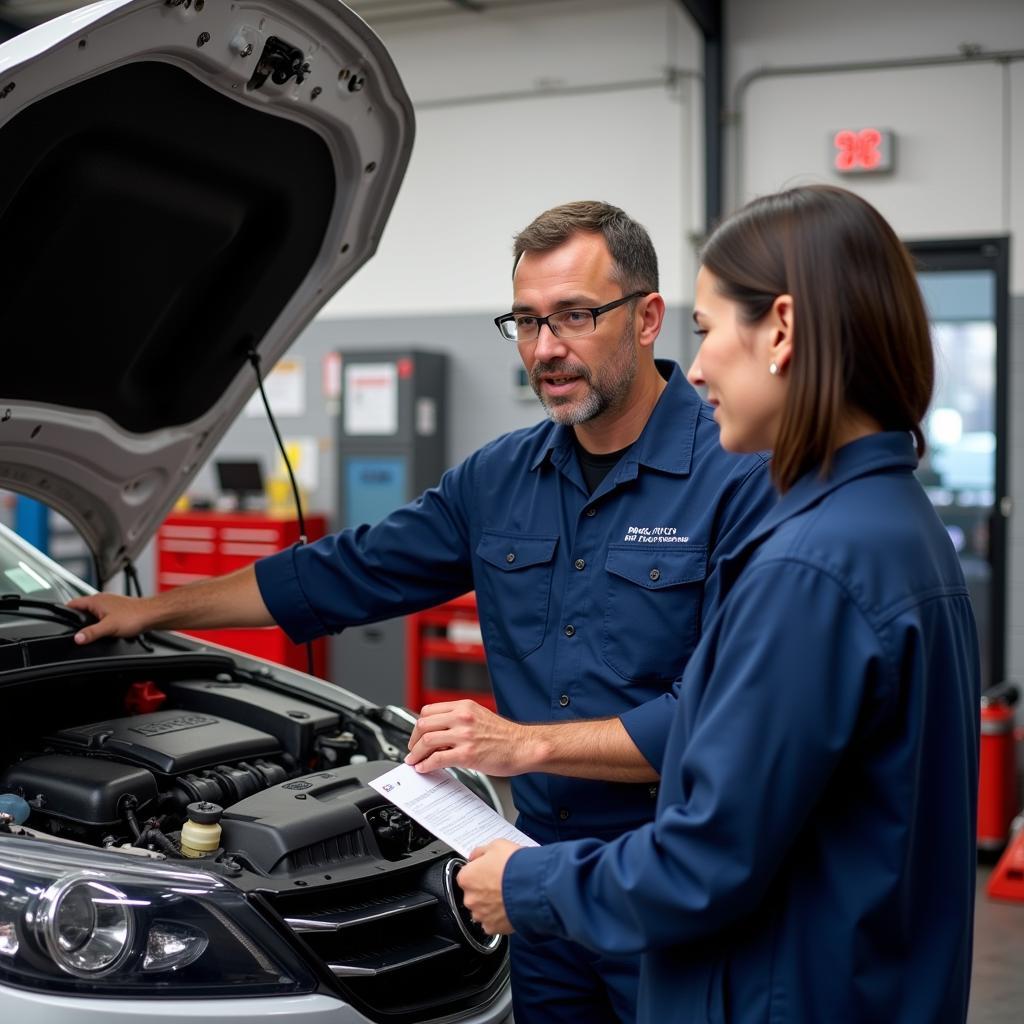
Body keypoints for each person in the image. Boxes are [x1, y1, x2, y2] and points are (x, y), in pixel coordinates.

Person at [69, 201, 776, 1023]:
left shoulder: (740, 478)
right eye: (527, 321)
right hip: (532, 883)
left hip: (675, 890)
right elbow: (345, 573)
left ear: (648, 317)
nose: (546, 350)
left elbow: (725, 723)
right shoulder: (499, 478)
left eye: (576, 317)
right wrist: (150, 609)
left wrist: (523, 743)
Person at [456, 186, 982, 1024]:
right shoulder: (893, 522)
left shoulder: (813, 569)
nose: (694, 369)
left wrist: (527, 882)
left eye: (705, 330)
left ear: (779, 329)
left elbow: (707, 859)